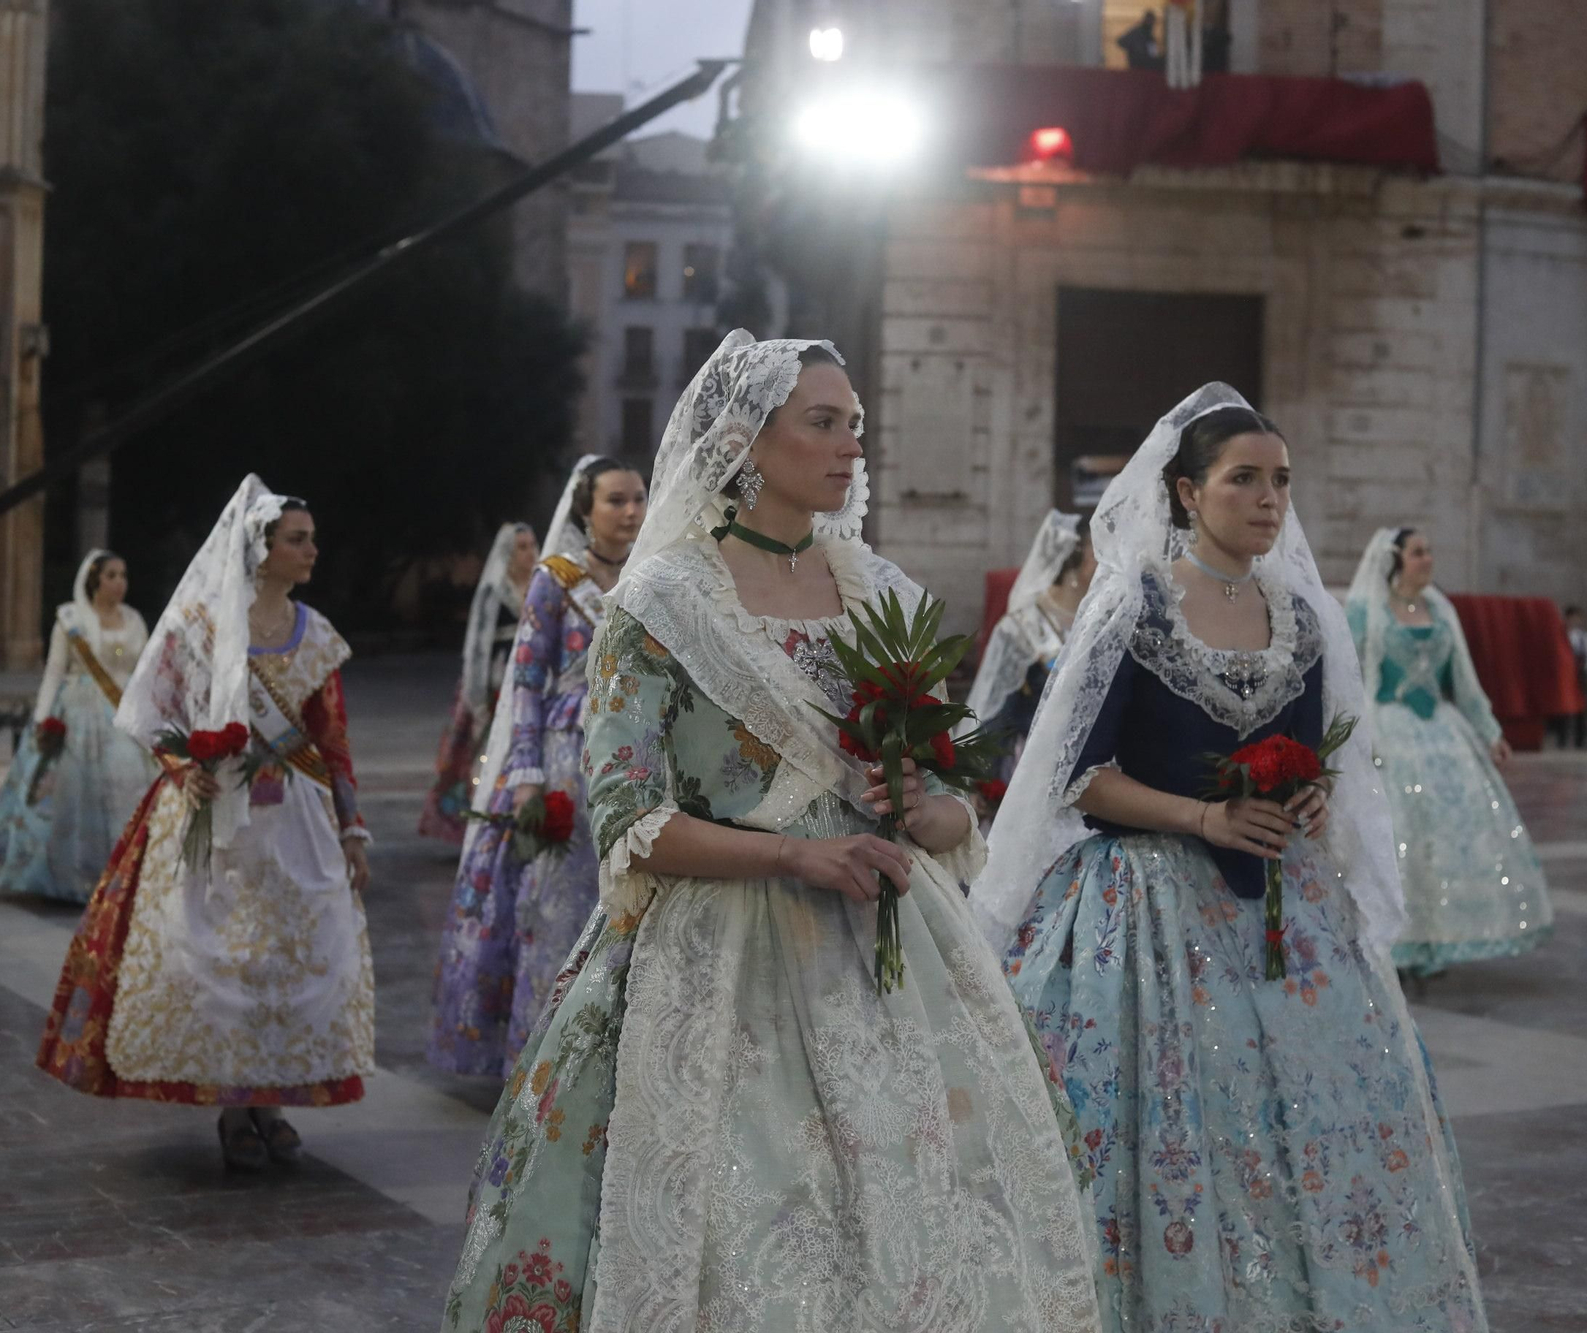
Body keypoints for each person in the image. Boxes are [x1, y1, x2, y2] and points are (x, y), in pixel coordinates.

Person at [438, 333, 1100, 1332]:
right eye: (822, 424)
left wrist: (930, 812)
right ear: (745, 441)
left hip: (885, 952)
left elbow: (952, 788)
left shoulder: (879, 592)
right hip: (713, 952)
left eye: (855, 427)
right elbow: (626, 816)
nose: (848, 448)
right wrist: (794, 852)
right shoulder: (659, 603)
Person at [971, 389, 1487, 1332]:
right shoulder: (1134, 602)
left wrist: (1312, 793)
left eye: (1280, 480)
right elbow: (1075, 776)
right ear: (1184, 491)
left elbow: (1313, 747)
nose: (1267, 498)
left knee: (1315, 1131)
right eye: (1242, 478)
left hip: (1285, 910)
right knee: (1170, 1134)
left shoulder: (1301, 611)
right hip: (1148, 908)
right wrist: (1199, 817)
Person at [35, 478, 375, 1171]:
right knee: (224, 959)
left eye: (310, 538)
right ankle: (233, 1108)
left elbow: (330, 738)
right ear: (261, 549)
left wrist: (351, 828)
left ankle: (274, 1101)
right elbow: (152, 710)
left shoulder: (318, 635)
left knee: (292, 958)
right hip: (215, 816)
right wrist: (176, 761)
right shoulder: (200, 626)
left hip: (296, 823)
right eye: (297, 539)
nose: (312, 549)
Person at [426, 457, 645, 1077]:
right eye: (615, 501)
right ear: (585, 511)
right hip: (565, 761)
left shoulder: (655, 574)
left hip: (638, 760)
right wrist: (526, 775)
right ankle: (545, 1063)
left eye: (638, 499)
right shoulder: (556, 579)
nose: (630, 512)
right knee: (556, 912)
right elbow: (525, 680)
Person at [1346, 527, 1552, 976]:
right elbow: (1353, 680)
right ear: (1395, 561)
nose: (1428, 559)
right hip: (1390, 730)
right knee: (1400, 837)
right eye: (1418, 552)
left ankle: (1436, 935)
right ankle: (1393, 938)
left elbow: (1465, 678)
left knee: (1443, 839)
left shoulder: (1441, 610)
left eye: (1429, 551)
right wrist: (1357, 740)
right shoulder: (1366, 612)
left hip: (1441, 731)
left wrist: (1490, 731)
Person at [0, 549, 158, 902]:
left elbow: (143, 671)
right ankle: (68, 875)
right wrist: (42, 719)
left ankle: (124, 872)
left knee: (127, 785)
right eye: (111, 575)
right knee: (72, 793)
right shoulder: (70, 619)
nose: (119, 583)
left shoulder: (134, 620)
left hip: (121, 713)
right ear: (94, 580)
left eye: (123, 576)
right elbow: (53, 672)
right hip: (77, 714)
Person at [419, 522, 538, 843]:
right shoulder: (495, 590)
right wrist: (479, 695)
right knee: (485, 755)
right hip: (497, 683)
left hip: (536, 682)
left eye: (531, 545)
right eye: (521, 547)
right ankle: (486, 822)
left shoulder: (543, 584)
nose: (529, 553)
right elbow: (480, 643)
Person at [963, 509, 1087, 786]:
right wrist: (984, 783)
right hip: (1033, 766)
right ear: (1075, 558)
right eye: (1095, 550)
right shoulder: (1022, 626)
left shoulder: (1097, 619)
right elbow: (995, 705)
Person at [1550, 604, 1587, 749]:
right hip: (1565, 676)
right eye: (1573, 618)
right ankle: (1562, 739)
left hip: (1579, 675)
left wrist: (1586, 669)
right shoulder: (1560, 635)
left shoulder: (1583, 637)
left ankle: (1580, 740)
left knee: (1581, 708)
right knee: (1564, 707)